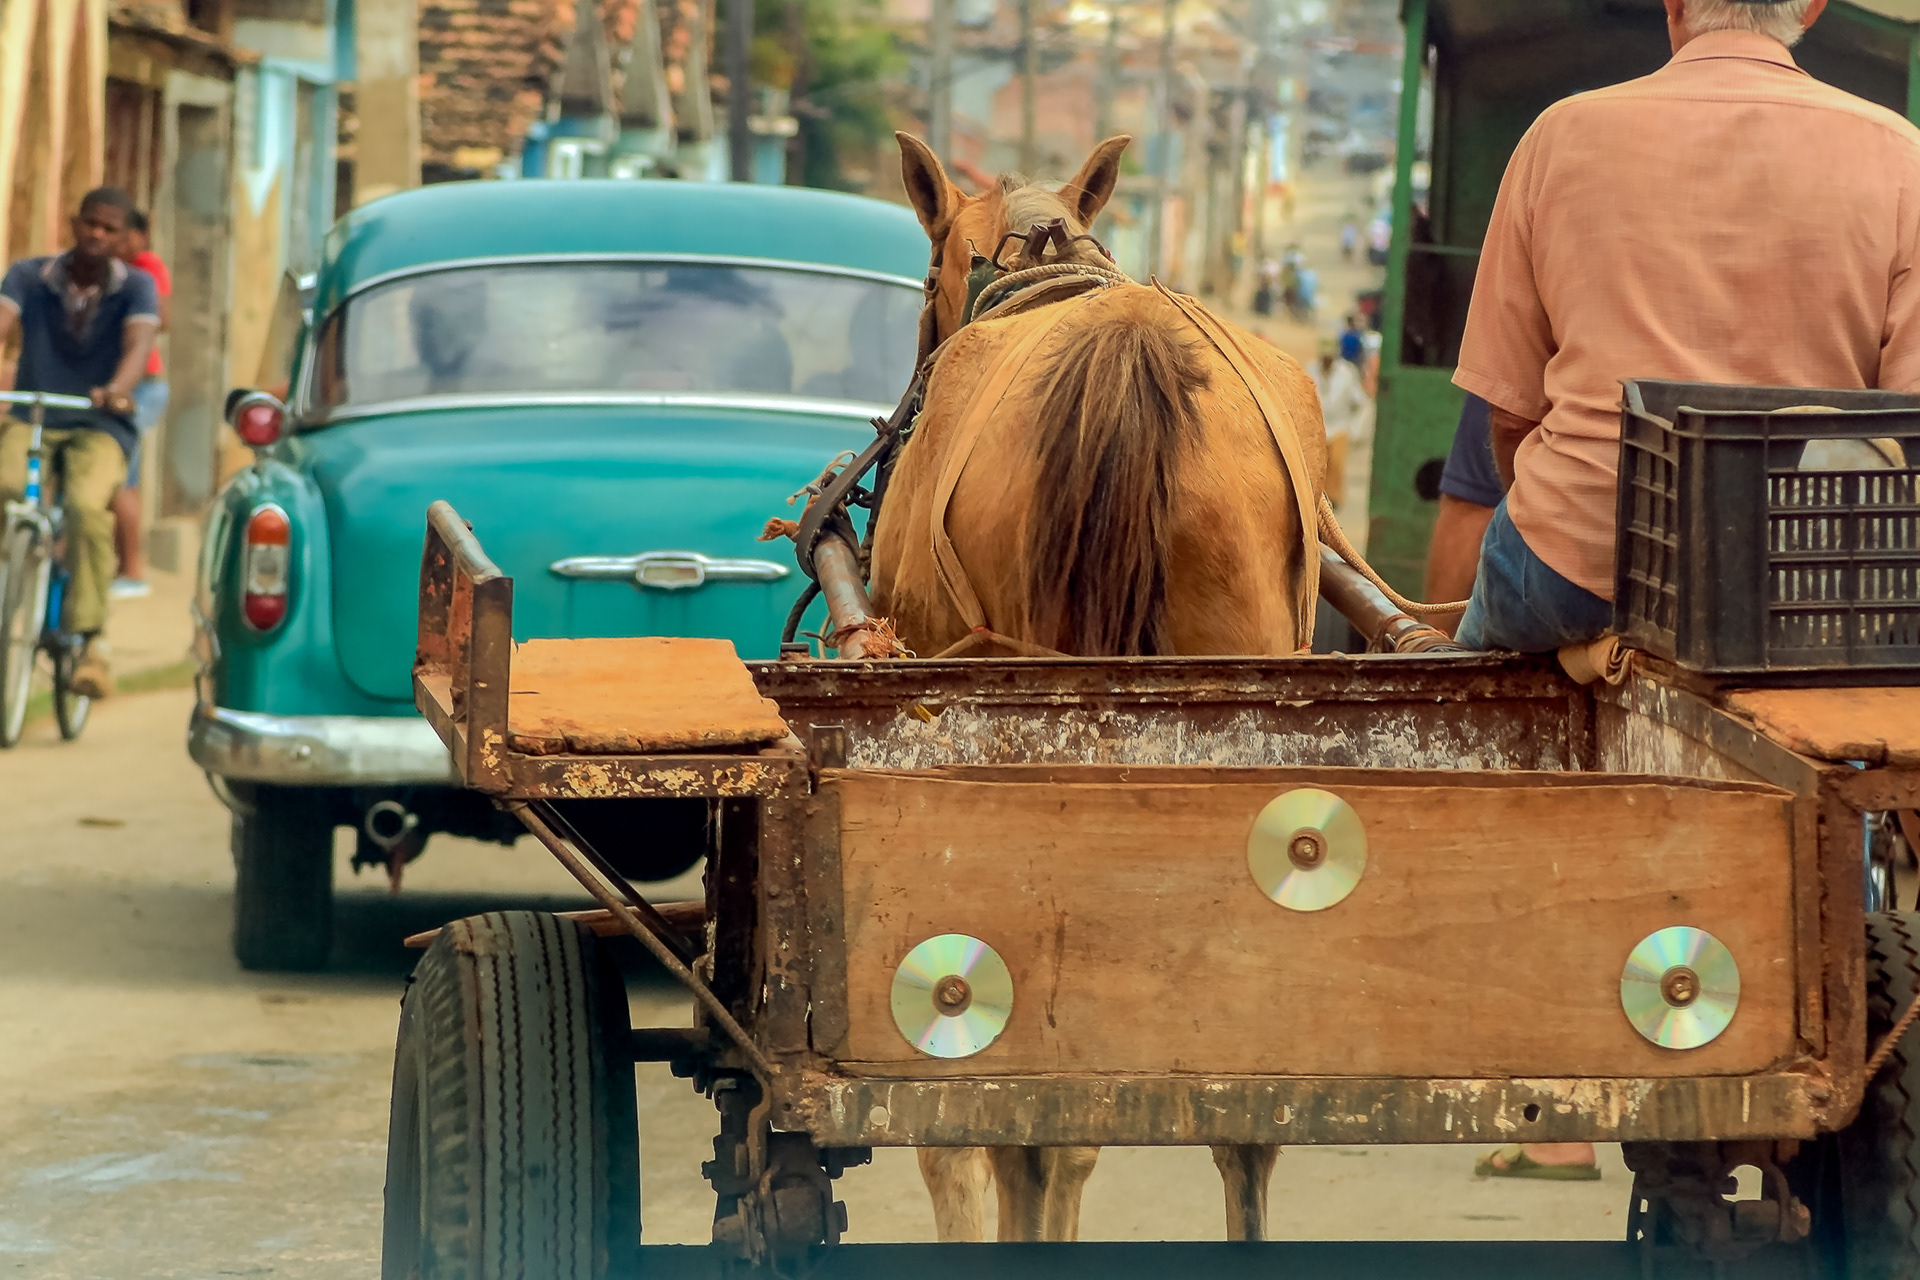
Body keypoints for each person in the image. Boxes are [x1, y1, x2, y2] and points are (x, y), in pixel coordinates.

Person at [1452, 0, 1920, 659]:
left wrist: (1563, 520)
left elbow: (1508, 415)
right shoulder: (1903, 157)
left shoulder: (1558, 135)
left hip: (1570, 573)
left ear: (1673, 1)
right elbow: (1905, 428)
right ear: (1812, 8)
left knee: (1468, 696)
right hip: (1793, 591)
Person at [0, 188, 159, 699]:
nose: (97, 234)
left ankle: (92, 643)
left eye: (109, 228)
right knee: (5, 488)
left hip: (99, 422)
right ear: (74, 223)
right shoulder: (30, 275)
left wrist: (117, 390)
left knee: (89, 507)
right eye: (90, 223)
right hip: (35, 412)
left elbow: (139, 346)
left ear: (124, 239)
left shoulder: (136, 286)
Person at [111, 208, 169, 599]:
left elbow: (161, 317)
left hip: (140, 387)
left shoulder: (144, 268)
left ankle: (133, 569)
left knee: (121, 478)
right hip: (124, 386)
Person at [1311, 337, 1370, 511]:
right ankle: (1317, 502)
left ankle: (1333, 502)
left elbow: (1360, 402)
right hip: (1318, 427)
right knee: (1318, 466)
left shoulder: (1346, 373)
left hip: (1340, 426)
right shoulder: (1311, 370)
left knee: (1336, 464)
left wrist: (1356, 429)